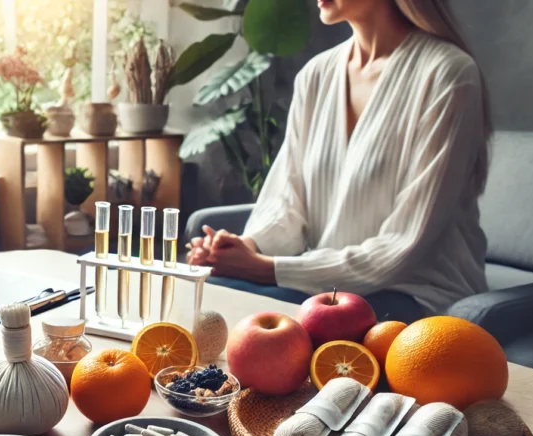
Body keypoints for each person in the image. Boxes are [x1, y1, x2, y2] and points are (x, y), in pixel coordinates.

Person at [187, 0, 491, 322]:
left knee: (253, 320)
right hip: (324, 287)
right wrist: (243, 249)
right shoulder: (316, 75)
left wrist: (266, 269)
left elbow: (403, 246)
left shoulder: (447, 75)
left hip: (417, 294)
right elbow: (287, 200)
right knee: (208, 292)